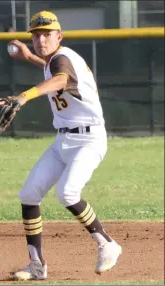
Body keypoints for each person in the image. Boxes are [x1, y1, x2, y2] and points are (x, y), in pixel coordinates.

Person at [7, 11, 122, 281]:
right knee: (29, 194)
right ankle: (36, 266)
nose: (40, 39)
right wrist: (30, 58)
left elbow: (60, 79)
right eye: (36, 34)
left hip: (89, 139)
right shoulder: (53, 60)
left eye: (47, 34)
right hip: (64, 140)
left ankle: (108, 243)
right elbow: (52, 70)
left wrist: (25, 96)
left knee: (68, 193)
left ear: (59, 36)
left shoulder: (63, 58)